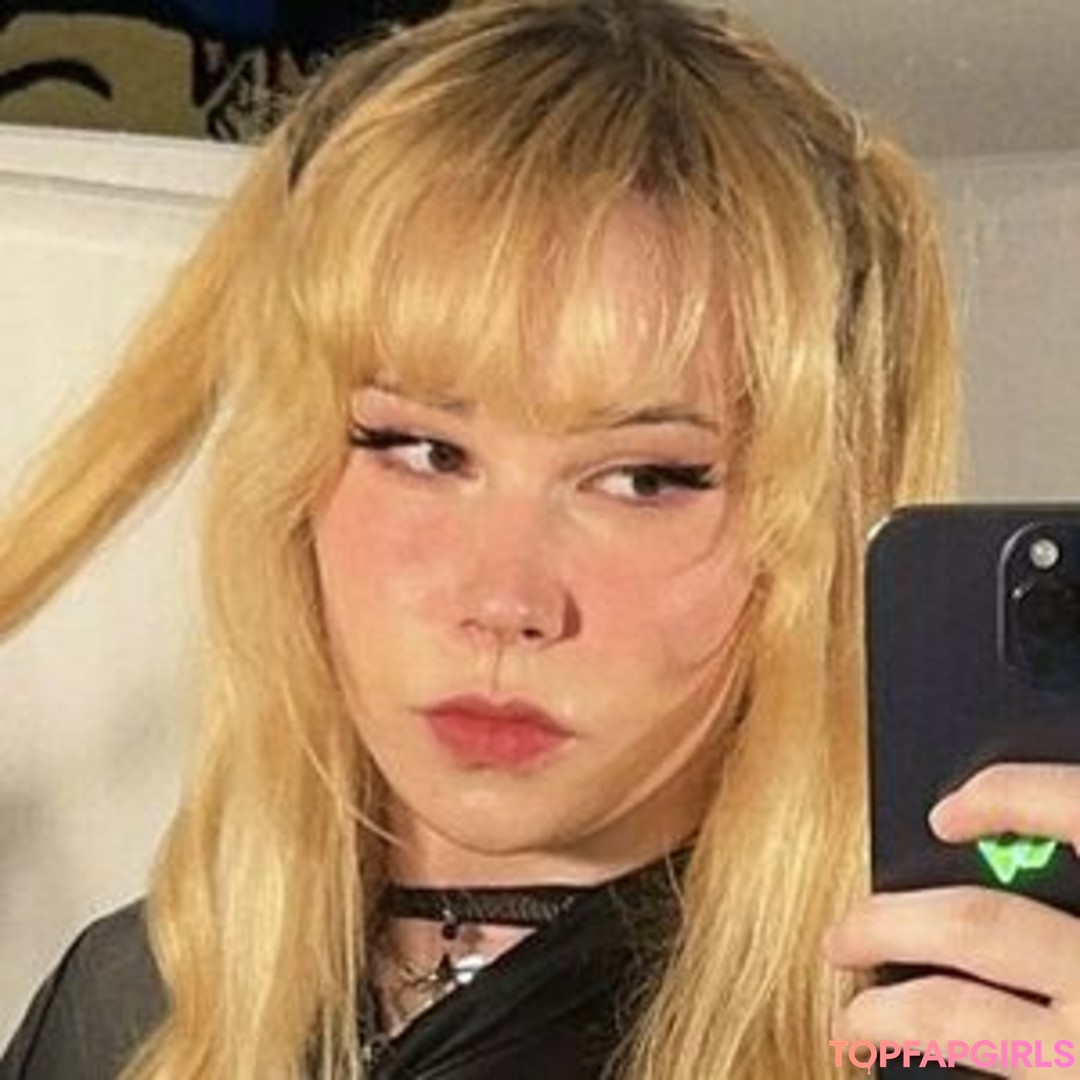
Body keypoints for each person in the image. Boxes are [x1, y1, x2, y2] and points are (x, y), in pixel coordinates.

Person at [3, 1, 1079, 1077]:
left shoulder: (944, 1025)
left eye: (644, 479)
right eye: (422, 449)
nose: (504, 599)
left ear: (812, 530)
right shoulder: (131, 1005)